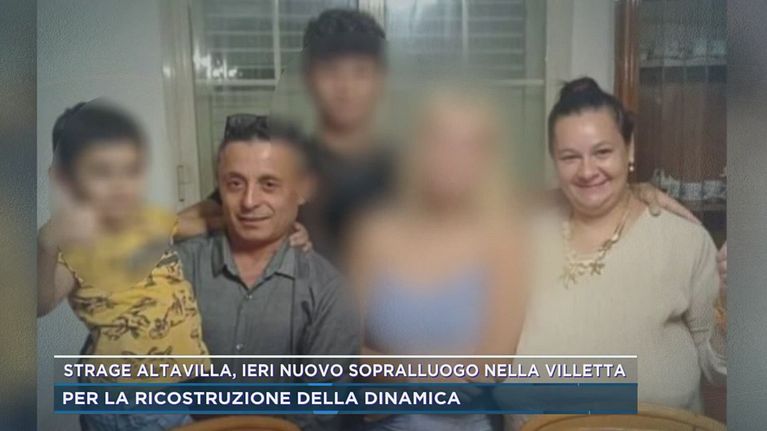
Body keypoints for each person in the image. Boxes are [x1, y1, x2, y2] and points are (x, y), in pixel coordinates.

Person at [512, 78, 726, 426]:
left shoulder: (684, 241)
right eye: (570, 157)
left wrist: (734, 308)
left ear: (629, 149)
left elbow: (719, 369)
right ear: (554, 161)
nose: (587, 171)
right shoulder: (524, 239)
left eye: (602, 152)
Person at [346, 88, 527, 431]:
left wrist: (396, 372)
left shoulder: (505, 241)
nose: (452, 158)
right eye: (440, 141)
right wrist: (429, 372)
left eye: (469, 146)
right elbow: (345, 347)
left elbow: (489, 370)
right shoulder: (374, 234)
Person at [173, 115, 360, 431]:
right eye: (235, 184)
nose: (249, 201)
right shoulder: (176, 269)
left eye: (269, 184)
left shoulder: (329, 293)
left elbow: (318, 414)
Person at [37, 101, 209, 431]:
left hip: (174, 386)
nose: (120, 185)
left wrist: (285, 225)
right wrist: (46, 243)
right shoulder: (76, 244)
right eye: (101, 171)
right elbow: (40, 303)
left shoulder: (149, 222)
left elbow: (204, 220)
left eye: (129, 170)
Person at [178, 8, 392, 261]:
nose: (346, 88)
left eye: (361, 71)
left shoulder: (409, 167)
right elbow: (177, 225)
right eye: (331, 71)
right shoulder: (281, 156)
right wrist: (266, 227)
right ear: (309, 77)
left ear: (380, 79)